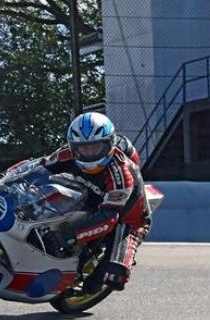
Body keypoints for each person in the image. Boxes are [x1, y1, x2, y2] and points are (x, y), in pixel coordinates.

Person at [39, 112, 151, 293]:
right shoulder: (66, 153)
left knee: (114, 276)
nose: (89, 154)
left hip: (127, 219)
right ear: (73, 146)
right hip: (92, 200)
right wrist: (4, 178)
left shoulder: (121, 174)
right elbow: (38, 166)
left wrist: (67, 236)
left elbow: (108, 220)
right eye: (83, 148)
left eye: (95, 147)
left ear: (109, 145)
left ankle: (100, 277)